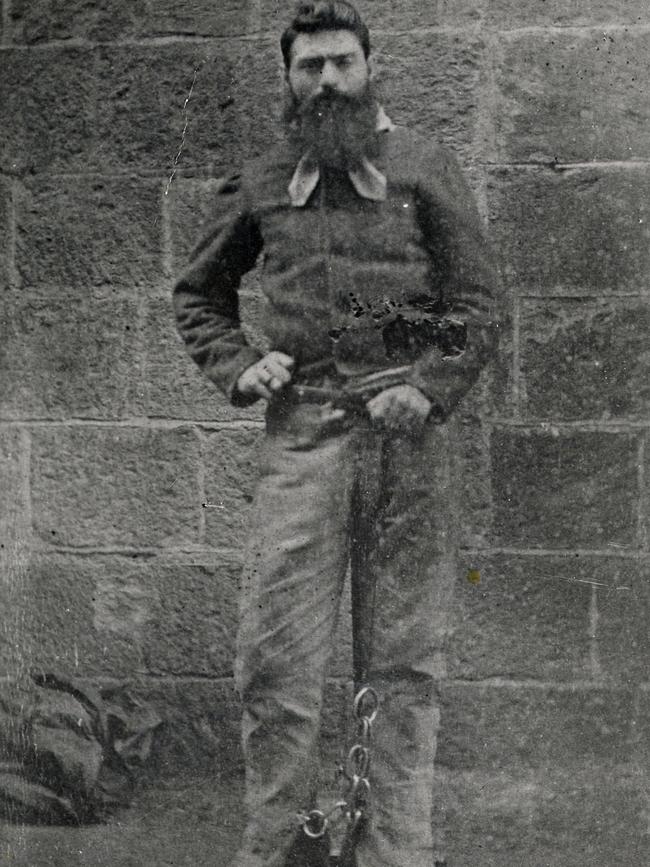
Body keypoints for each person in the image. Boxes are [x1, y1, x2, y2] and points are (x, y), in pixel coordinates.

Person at [173, 3, 498, 865]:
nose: (326, 80)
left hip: (409, 447)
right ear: (287, 77)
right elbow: (198, 295)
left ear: (369, 66)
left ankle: (398, 851)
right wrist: (240, 365)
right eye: (309, 65)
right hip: (305, 436)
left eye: (341, 63)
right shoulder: (261, 178)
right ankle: (277, 846)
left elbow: (476, 307)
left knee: (404, 662)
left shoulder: (426, 168)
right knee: (275, 663)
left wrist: (428, 389)